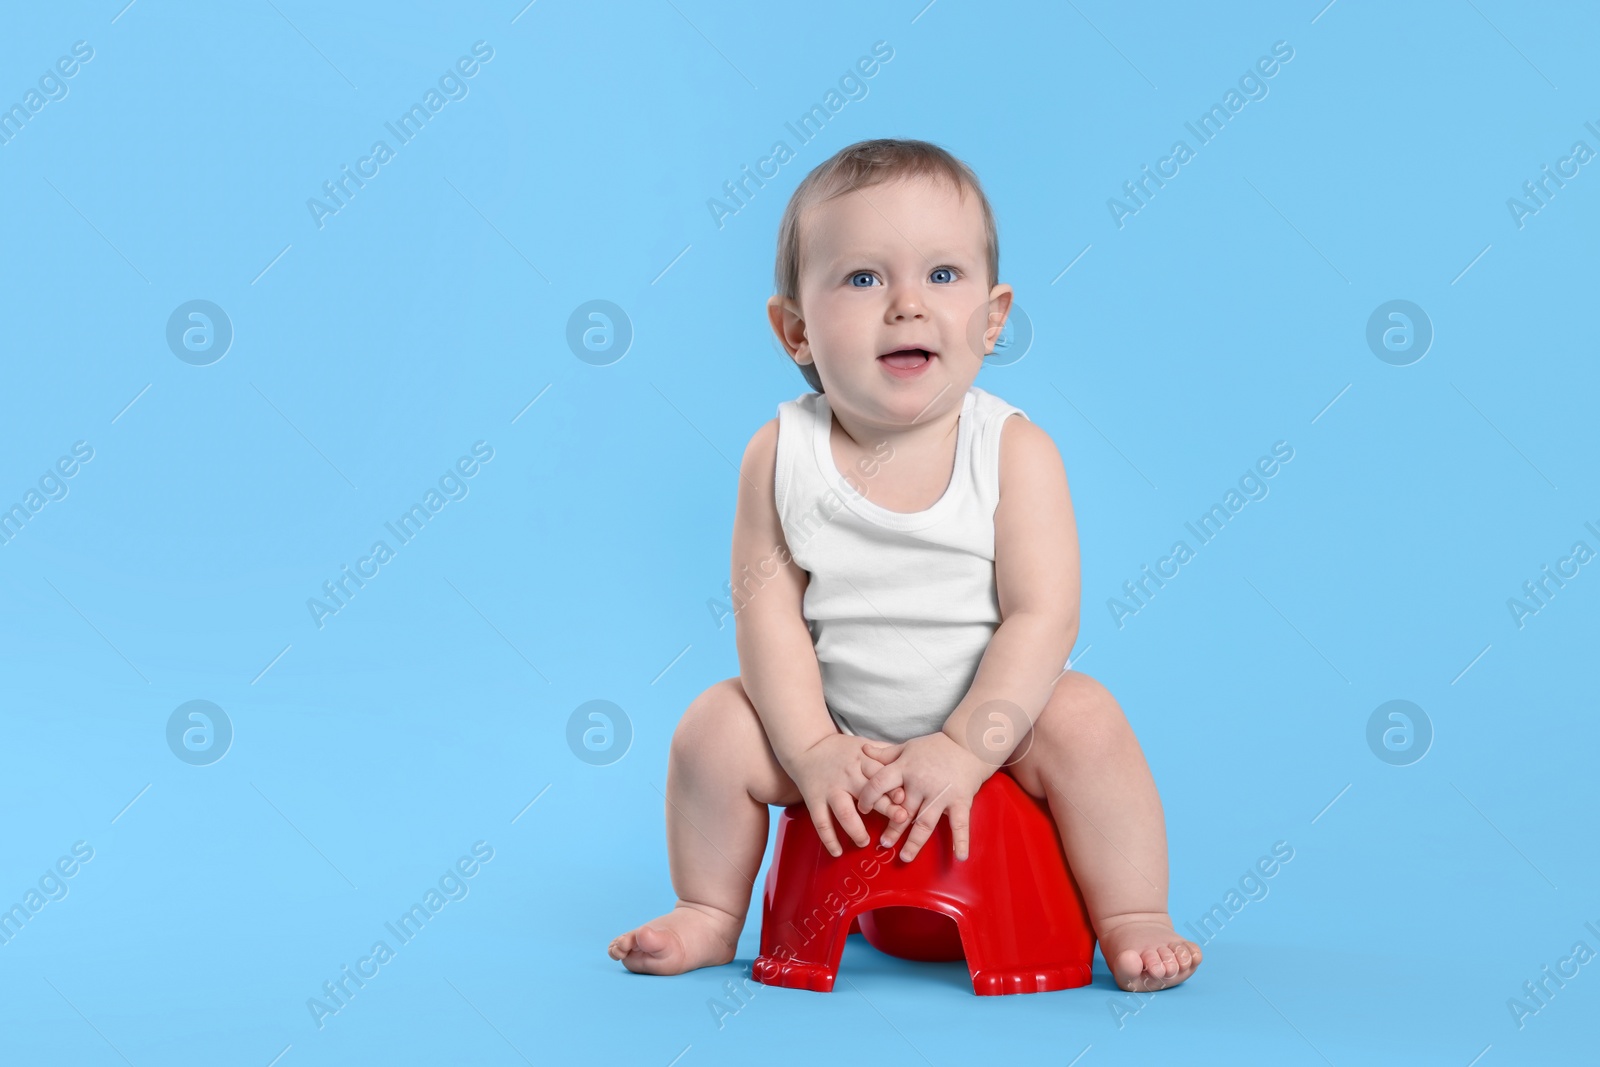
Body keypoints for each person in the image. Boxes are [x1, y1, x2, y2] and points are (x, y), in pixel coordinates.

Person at [609, 138, 1200, 993]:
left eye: (944, 276)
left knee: (1087, 718)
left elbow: (1044, 616)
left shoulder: (1015, 451)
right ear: (795, 330)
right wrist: (811, 747)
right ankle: (707, 910)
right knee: (712, 726)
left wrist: (966, 745)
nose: (907, 306)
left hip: (997, 733)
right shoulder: (780, 452)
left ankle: (1133, 915)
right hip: (836, 728)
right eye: (862, 279)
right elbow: (765, 614)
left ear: (993, 318)